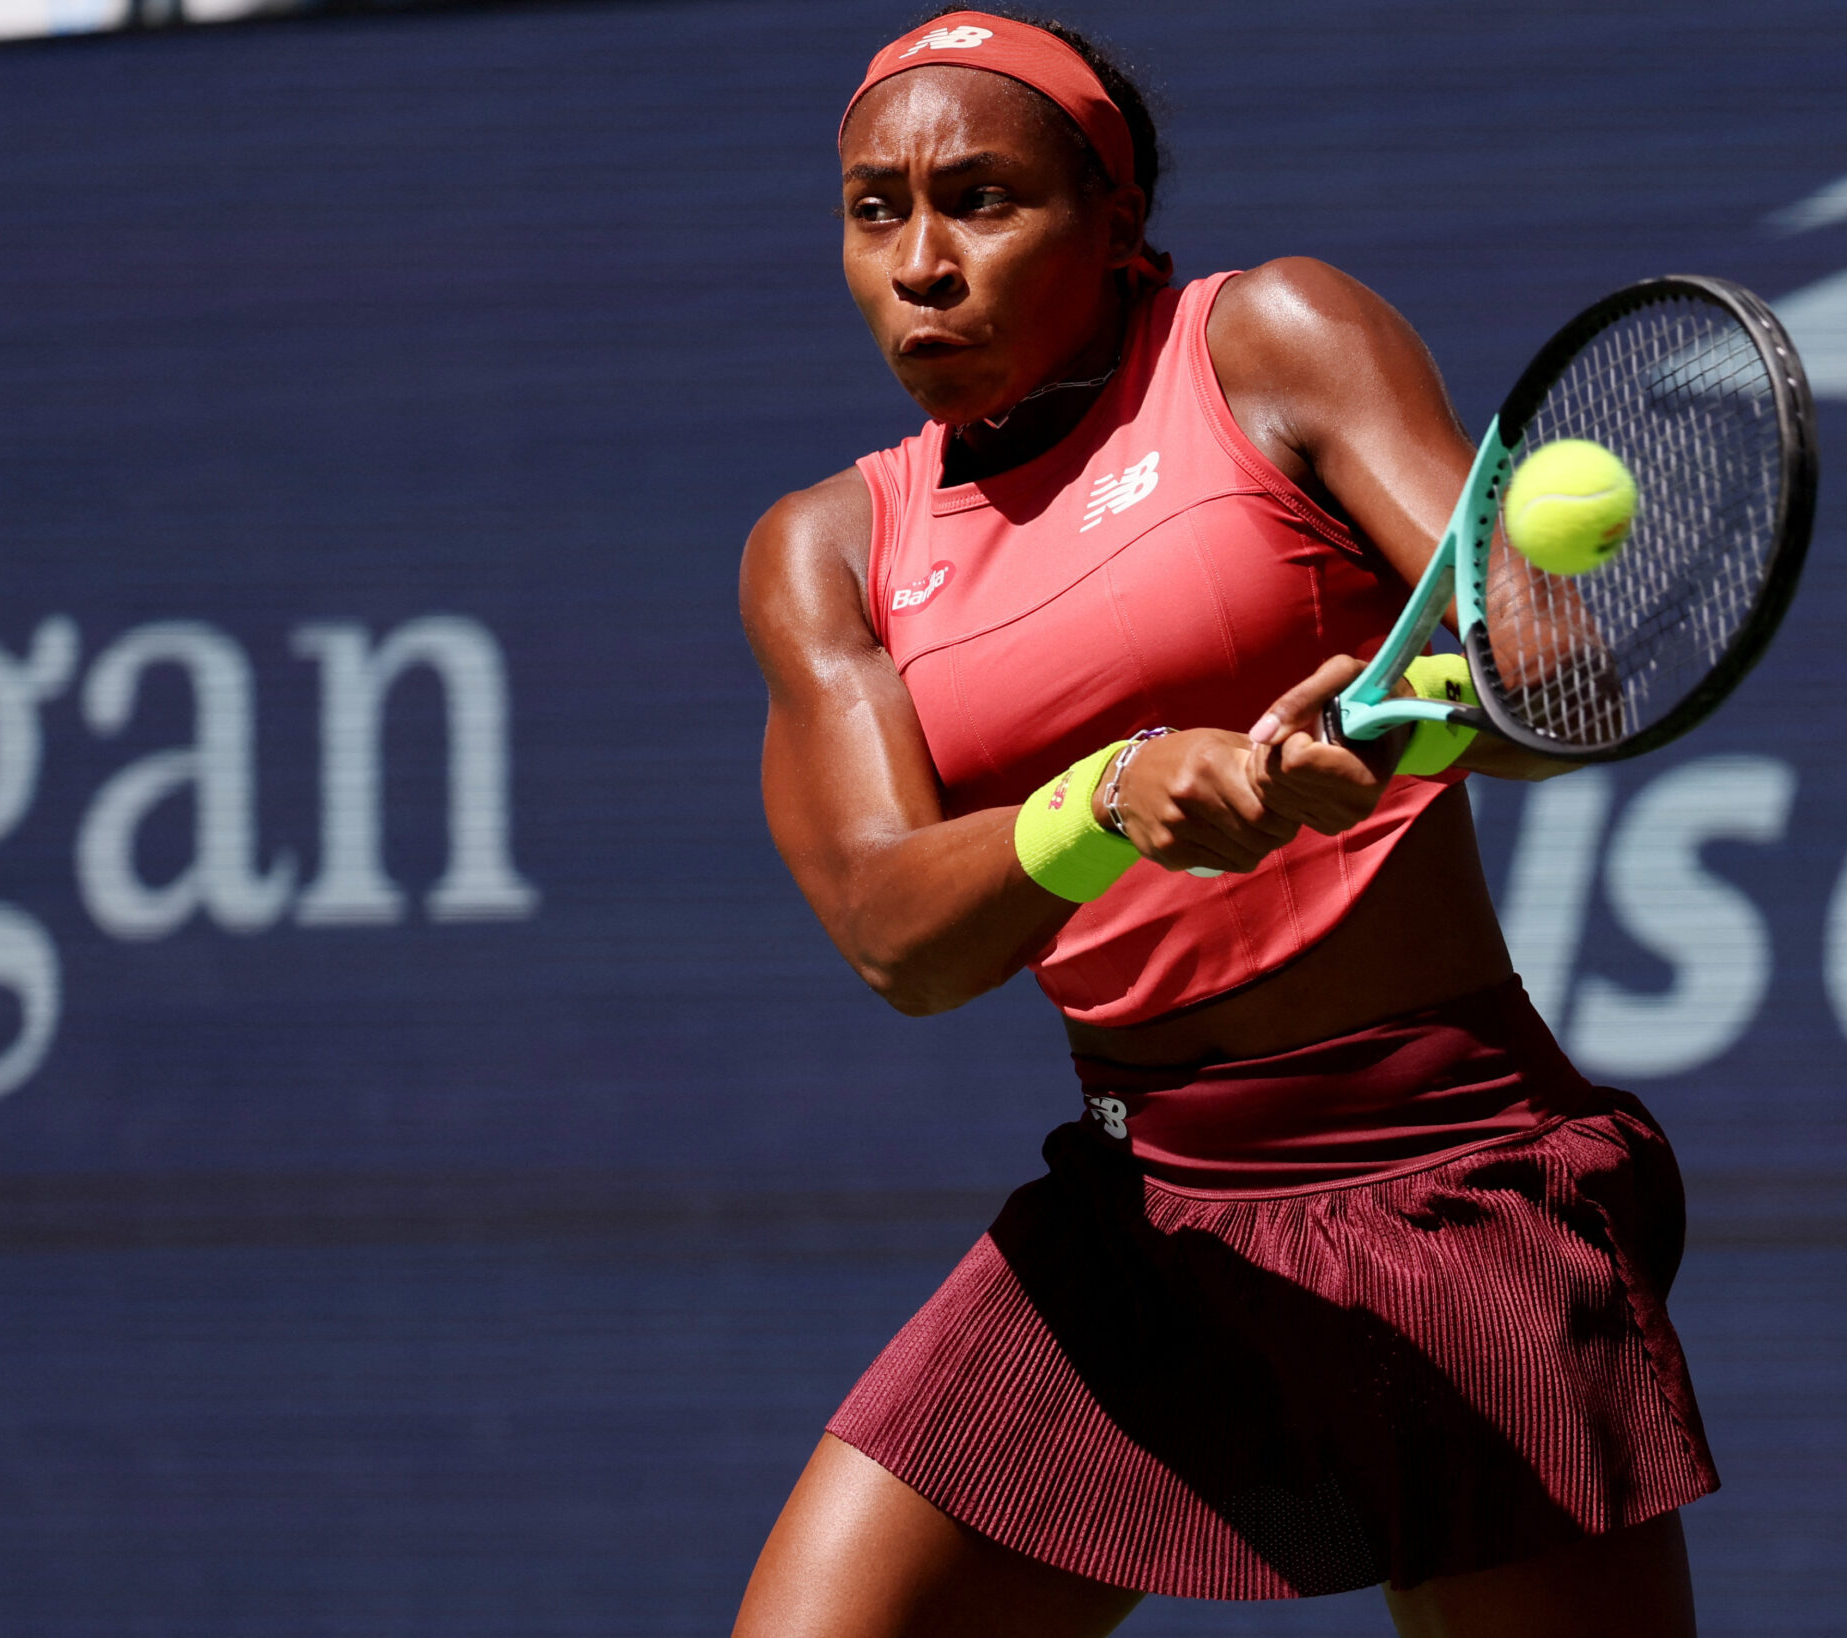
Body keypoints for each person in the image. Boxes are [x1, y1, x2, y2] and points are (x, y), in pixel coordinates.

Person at [732, 12, 1717, 1635]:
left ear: (1117, 221)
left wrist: (1400, 719)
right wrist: (1106, 800)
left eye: (982, 199)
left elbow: (1556, 670)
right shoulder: (825, 552)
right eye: (875, 209)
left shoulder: (1269, 337)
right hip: (1141, 1222)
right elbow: (897, 934)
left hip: (1450, 1192)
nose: (921, 261)